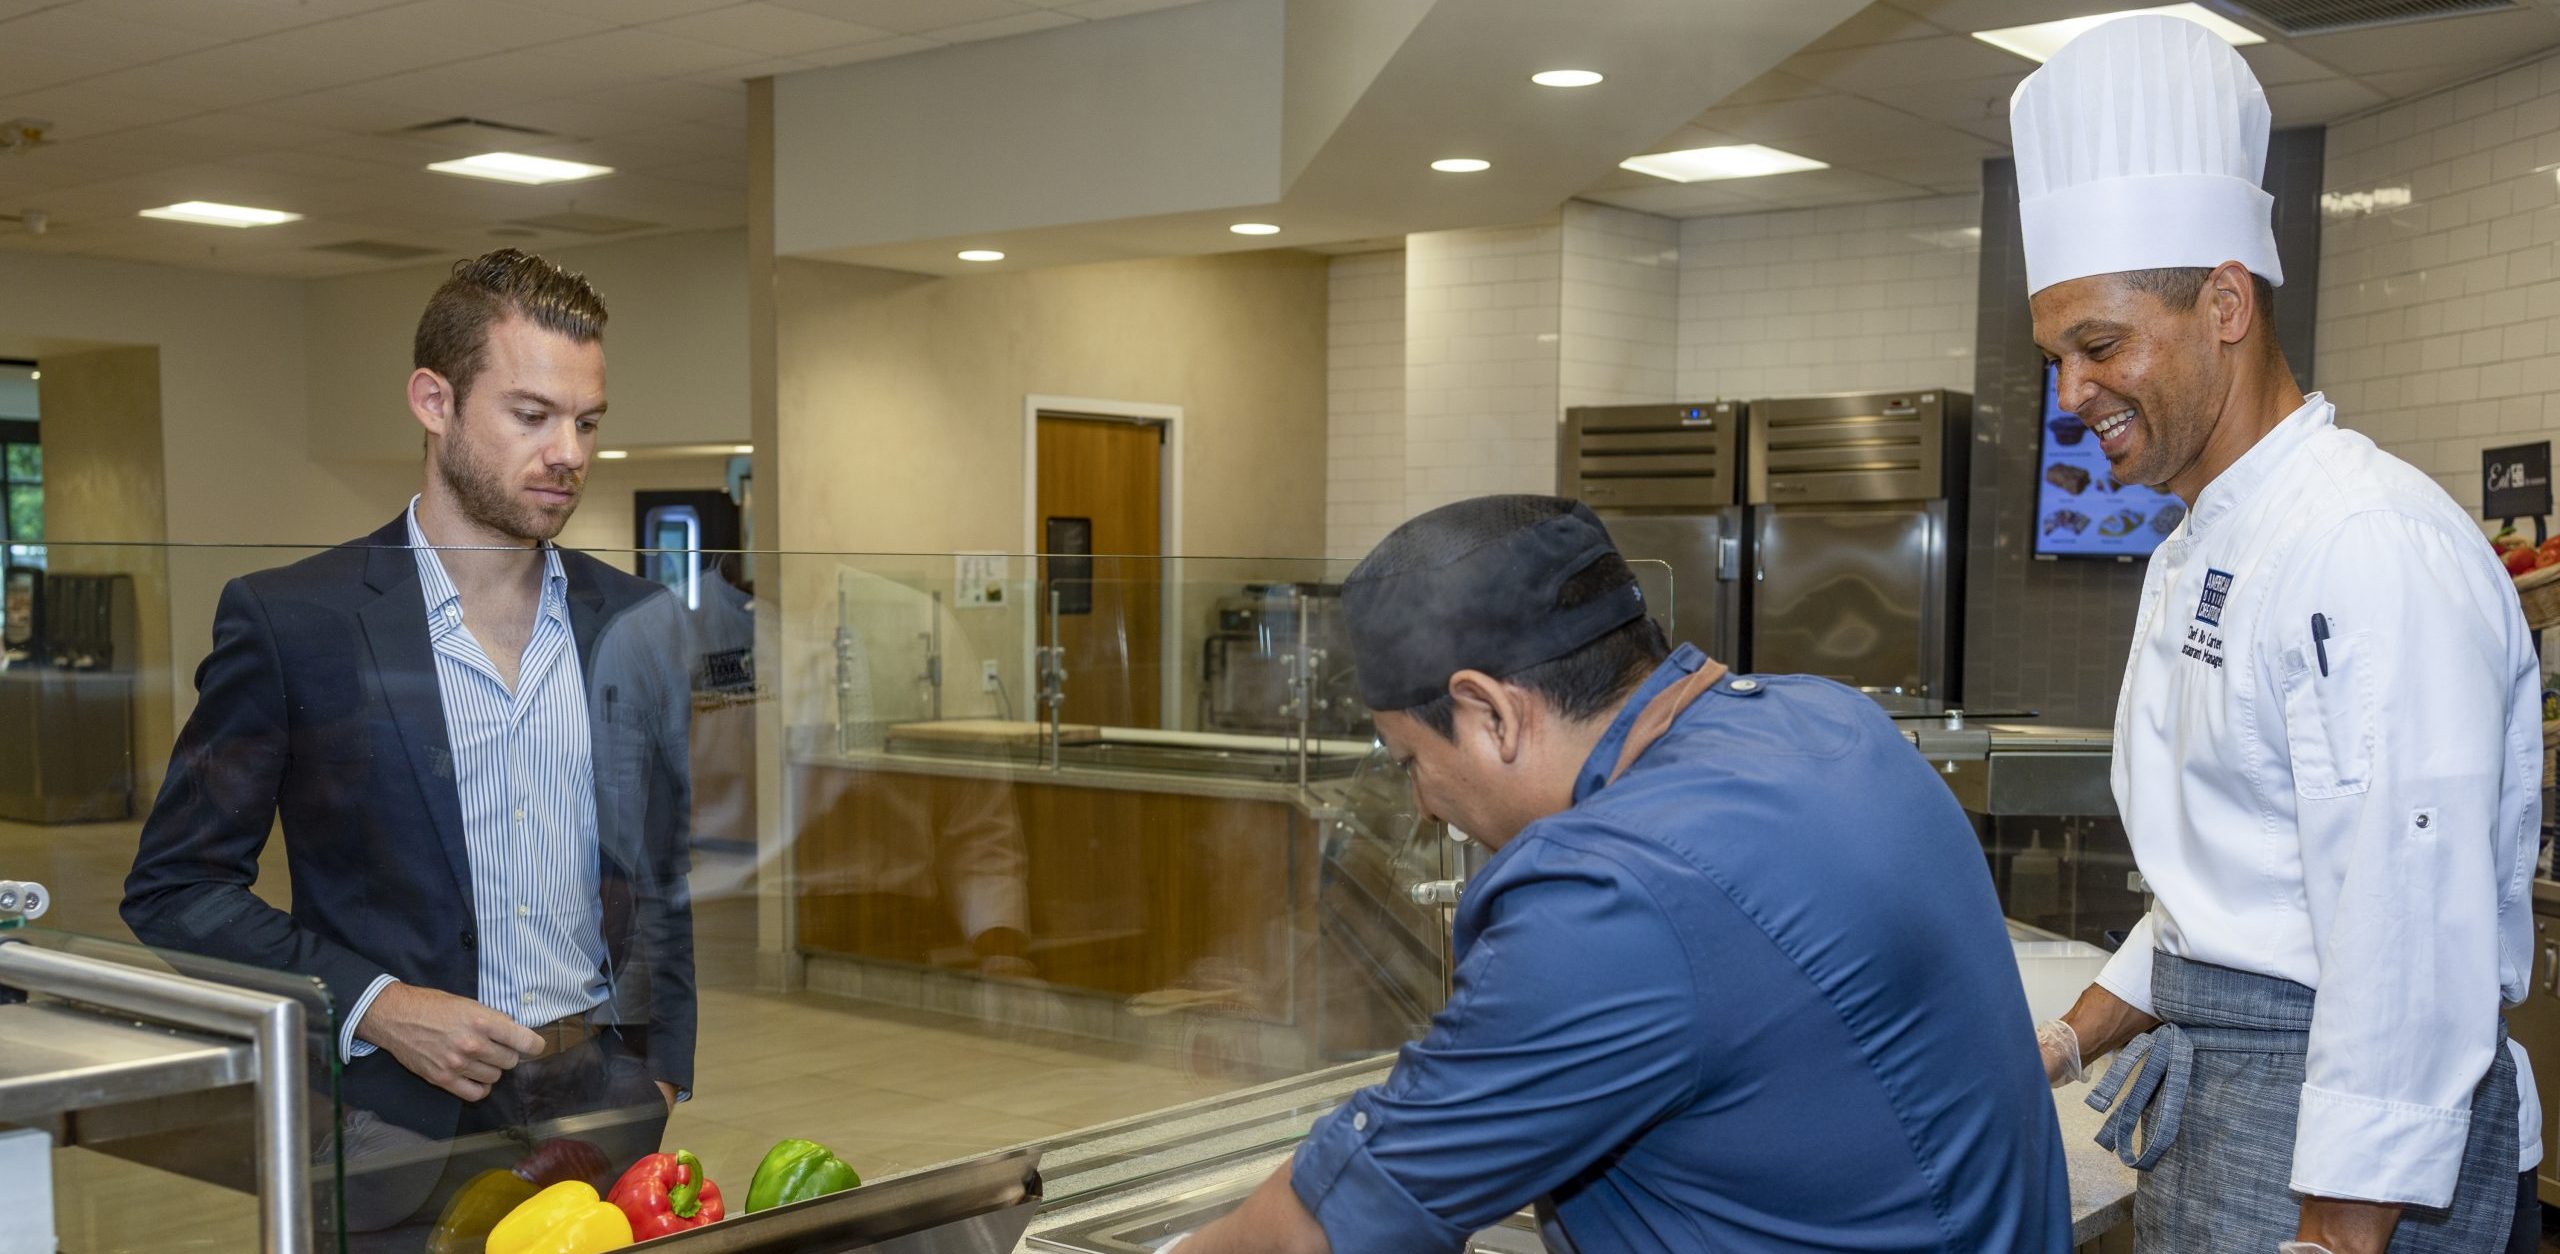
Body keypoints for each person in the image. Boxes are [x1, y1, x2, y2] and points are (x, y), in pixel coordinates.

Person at [1177, 495, 2070, 1253]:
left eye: (1409, 759)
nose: (1420, 805)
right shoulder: (1829, 720)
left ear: (1489, 713)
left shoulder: (1609, 894)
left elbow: (1333, 1228)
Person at [2012, 17, 2543, 1254]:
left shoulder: (2364, 541)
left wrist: (2337, 1232)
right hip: (2234, 1113)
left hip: (2351, 1162)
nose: (2070, 395)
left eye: (2098, 347)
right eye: (2055, 357)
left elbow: (2406, 928)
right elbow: (2241, 885)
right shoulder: (2201, 541)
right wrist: (2063, 1037)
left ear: (2226, 305)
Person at [122, 250, 697, 1234]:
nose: (569, 451)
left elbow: (658, 874)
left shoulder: (636, 621)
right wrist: (376, 1002)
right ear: (434, 400)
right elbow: (176, 889)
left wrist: (661, 1073)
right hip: (392, 1121)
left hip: (604, 1116)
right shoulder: (295, 621)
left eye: (587, 421)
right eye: (531, 415)